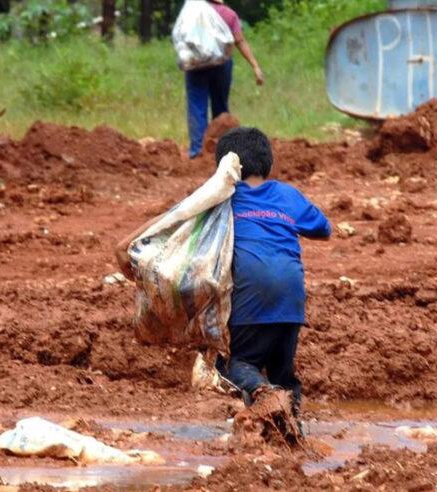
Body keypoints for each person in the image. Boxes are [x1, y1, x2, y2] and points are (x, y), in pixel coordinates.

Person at [115, 127, 331, 436]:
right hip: (291, 302)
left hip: (249, 299)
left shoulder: (220, 200)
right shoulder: (287, 195)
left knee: (235, 366)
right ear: (267, 163)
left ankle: (264, 395)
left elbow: (175, 219)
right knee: (284, 375)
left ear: (224, 169)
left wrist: (131, 243)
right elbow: (322, 228)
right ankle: (291, 437)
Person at [185, 0, 264, 159]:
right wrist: (255, 66)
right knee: (220, 107)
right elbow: (239, 41)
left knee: (196, 107)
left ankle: (198, 151)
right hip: (221, 66)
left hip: (195, 65)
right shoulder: (228, 14)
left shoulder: (191, 12)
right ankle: (223, 150)